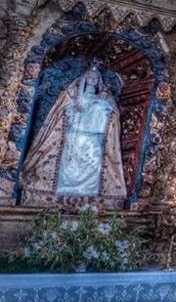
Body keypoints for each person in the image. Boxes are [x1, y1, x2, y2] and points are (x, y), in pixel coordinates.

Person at [20, 61, 127, 206]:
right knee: (68, 167)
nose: (93, 80)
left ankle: (90, 199)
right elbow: (61, 113)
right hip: (73, 138)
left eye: (96, 77)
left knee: (92, 166)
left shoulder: (105, 98)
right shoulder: (71, 96)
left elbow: (113, 116)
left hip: (93, 140)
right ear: (85, 77)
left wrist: (101, 105)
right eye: (90, 76)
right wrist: (75, 109)